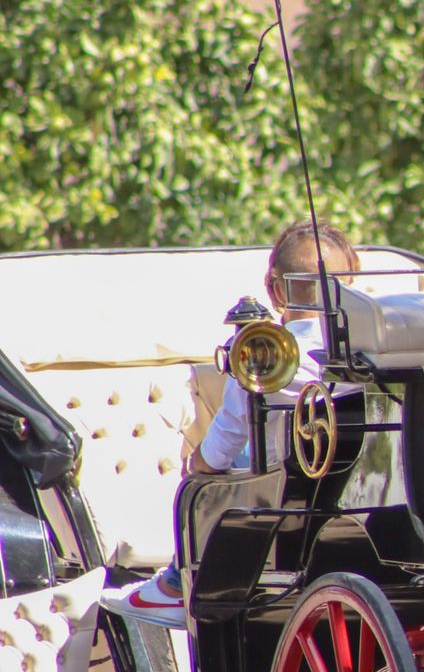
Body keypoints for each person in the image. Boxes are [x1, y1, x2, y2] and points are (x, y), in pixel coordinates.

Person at [100, 220, 359, 628]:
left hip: (287, 505)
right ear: (352, 283)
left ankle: (174, 585)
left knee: (200, 483)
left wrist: (195, 465)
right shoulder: (375, 352)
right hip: (367, 501)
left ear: (275, 289)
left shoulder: (264, 359)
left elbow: (216, 453)